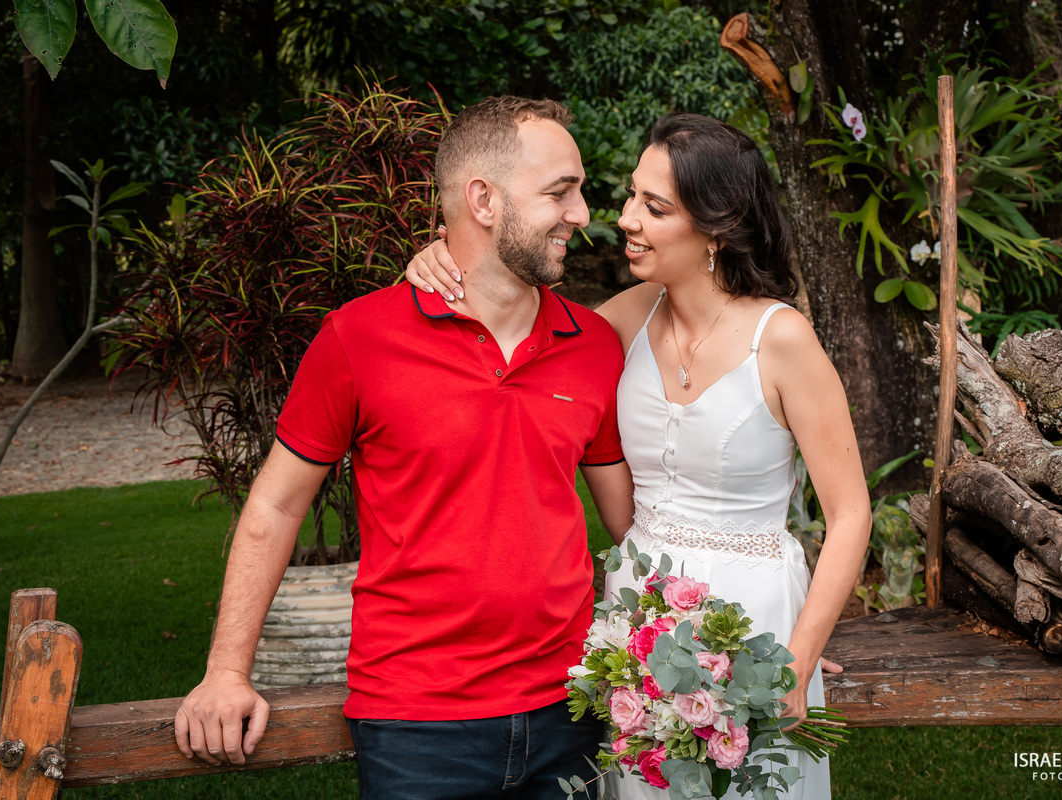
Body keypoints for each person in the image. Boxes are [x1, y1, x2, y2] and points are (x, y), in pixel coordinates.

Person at [174, 96, 636, 800]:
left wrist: (760, 615)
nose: (581, 212)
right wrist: (227, 672)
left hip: (572, 705)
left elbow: (634, 521)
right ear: (482, 199)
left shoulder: (595, 345)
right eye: (561, 192)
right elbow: (275, 504)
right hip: (418, 726)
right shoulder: (359, 339)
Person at [407, 113, 872, 799]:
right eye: (631, 197)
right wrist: (436, 256)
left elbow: (851, 511)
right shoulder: (622, 321)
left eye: (654, 207)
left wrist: (797, 655)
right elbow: (507, 312)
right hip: (639, 615)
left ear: (718, 225)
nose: (624, 218)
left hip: (756, 611)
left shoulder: (782, 340)